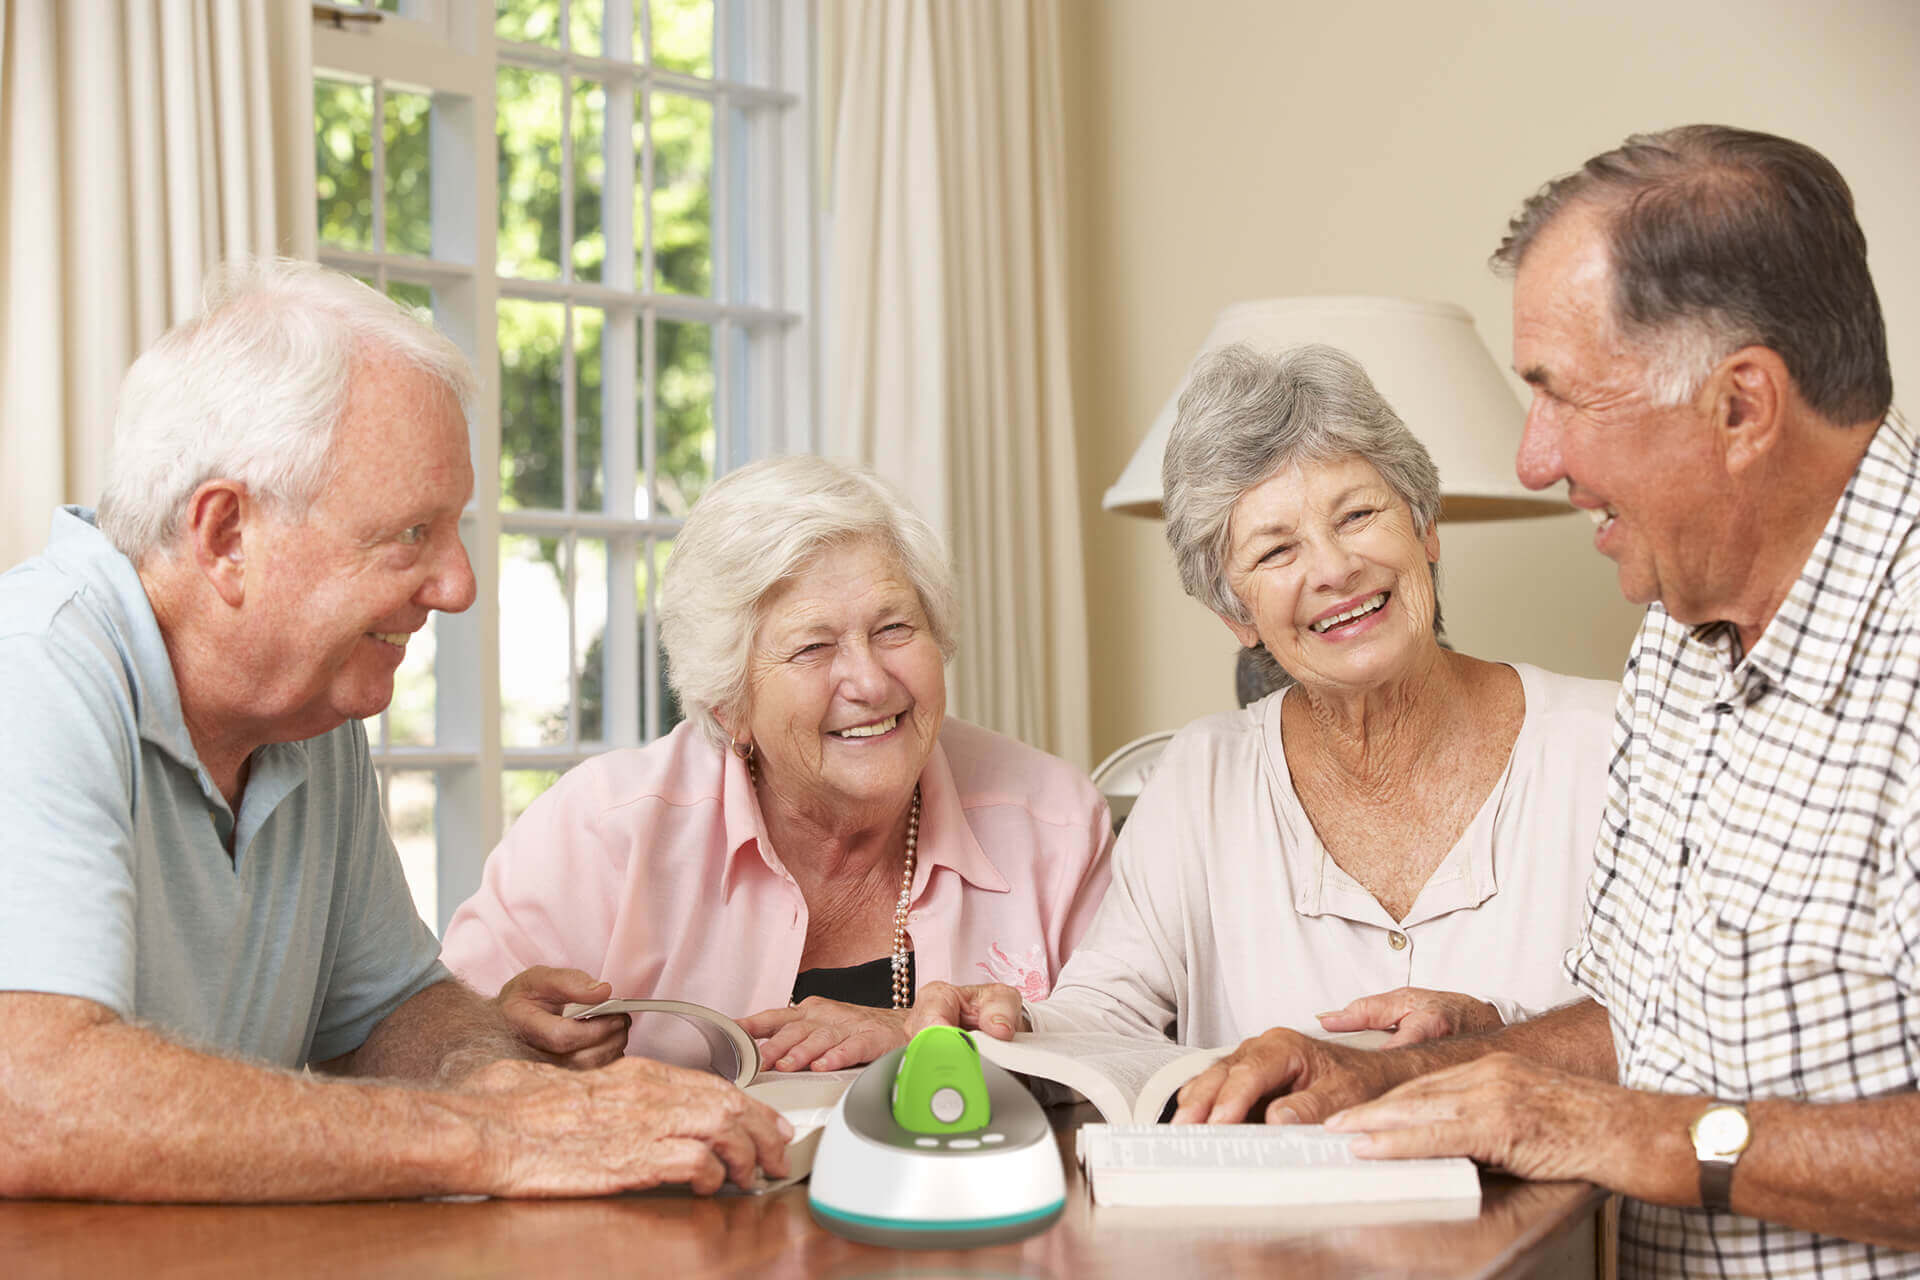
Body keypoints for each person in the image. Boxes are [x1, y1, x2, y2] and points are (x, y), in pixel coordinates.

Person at [1168, 126, 1920, 1273]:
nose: (1533, 457)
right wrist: (1402, 1073)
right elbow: (1639, 1019)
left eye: (1560, 394)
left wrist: (1620, 1132)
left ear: (1742, 405)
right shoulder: (1677, 636)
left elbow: (1627, 1112)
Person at [0, 260, 789, 1202]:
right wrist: (494, 1133)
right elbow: (30, 1096)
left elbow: (391, 1011)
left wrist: (496, 1076)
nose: (457, 586)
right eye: (412, 534)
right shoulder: (32, 674)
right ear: (226, 536)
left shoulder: (308, 708)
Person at [916, 342, 1618, 1060]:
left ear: (1425, 528)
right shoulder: (1200, 780)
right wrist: (1010, 1025)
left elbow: (1687, 1019)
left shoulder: (1613, 745)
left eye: (1356, 515)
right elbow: (1110, 1010)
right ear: (1236, 615)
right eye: (1276, 550)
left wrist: (1495, 1036)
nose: (1335, 569)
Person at [439, 454, 1114, 1074]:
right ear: (729, 705)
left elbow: (1130, 1055)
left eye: (895, 629)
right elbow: (436, 1049)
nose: (870, 682)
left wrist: (934, 1039)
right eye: (813, 648)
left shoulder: (1052, 822)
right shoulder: (602, 833)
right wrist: (501, 1039)